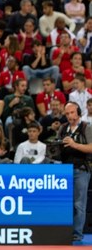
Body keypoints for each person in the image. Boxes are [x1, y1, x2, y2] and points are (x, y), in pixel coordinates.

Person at [59, 102, 92, 242]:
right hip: (64, 169)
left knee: (79, 203)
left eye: (72, 112)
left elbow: (91, 148)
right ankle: (64, 231)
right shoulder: (63, 128)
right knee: (65, 203)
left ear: (78, 112)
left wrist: (74, 144)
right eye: (67, 113)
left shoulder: (87, 127)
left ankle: (77, 234)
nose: (69, 116)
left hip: (81, 169)